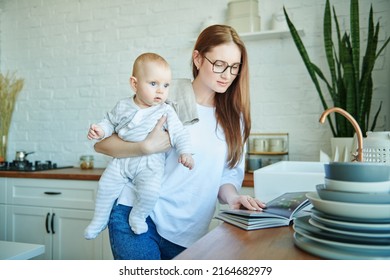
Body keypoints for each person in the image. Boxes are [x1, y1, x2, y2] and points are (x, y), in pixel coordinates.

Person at [94, 24, 266, 260]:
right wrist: (144, 147)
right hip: (138, 216)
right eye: (219, 64)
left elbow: (226, 176)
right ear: (197, 58)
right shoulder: (165, 95)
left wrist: (234, 198)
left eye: (234, 67)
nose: (227, 75)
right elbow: (102, 144)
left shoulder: (234, 119)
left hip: (190, 233)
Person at [84, 53, 194, 239]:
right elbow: (109, 122)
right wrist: (100, 131)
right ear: (134, 84)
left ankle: (138, 215)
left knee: (151, 192)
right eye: (153, 84)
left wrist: (185, 152)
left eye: (165, 85)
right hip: (121, 160)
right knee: (105, 186)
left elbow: (179, 133)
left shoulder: (166, 111)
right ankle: (99, 219)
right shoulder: (123, 106)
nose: (161, 91)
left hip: (149, 164)